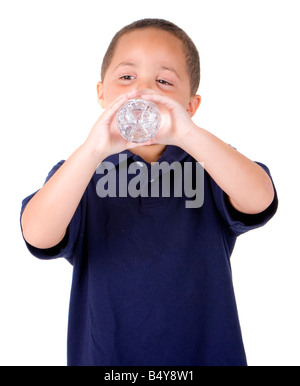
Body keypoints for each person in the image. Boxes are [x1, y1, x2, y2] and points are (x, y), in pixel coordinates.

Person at [20, 18, 278, 366]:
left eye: (164, 81)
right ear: (101, 93)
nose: (143, 90)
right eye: (127, 77)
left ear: (191, 106)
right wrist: (93, 150)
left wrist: (188, 135)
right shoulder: (80, 172)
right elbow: (38, 235)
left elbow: (261, 198)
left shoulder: (211, 162)